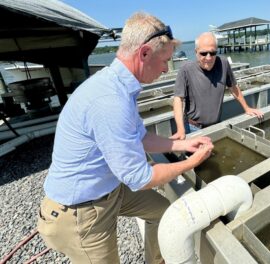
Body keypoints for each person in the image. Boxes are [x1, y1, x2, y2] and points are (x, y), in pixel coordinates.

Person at [37, 12, 213, 264]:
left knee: (164, 213)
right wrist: (192, 162)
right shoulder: (110, 101)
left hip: (109, 190)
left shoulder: (118, 86)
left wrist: (183, 143)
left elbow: (139, 137)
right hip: (81, 212)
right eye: (164, 61)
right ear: (143, 54)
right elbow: (140, 178)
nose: (166, 69)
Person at [171, 32, 264, 140]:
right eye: (203, 53)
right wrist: (181, 129)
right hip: (193, 127)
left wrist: (247, 108)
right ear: (196, 52)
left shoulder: (223, 64)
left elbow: (233, 87)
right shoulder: (185, 70)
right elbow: (178, 99)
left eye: (212, 53)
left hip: (216, 125)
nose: (209, 57)